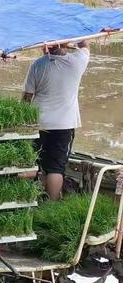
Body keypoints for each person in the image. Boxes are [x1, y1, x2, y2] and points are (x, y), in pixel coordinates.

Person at [22, 41, 90, 200]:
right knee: (56, 167)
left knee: (33, 162)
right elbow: (85, 45)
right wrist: (76, 39)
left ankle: (28, 199)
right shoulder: (77, 62)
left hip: (39, 123)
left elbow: (26, 97)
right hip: (64, 124)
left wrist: (21, 121)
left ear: (45, 45)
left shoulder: (37, 65)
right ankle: (50, 205)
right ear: (65, 44)